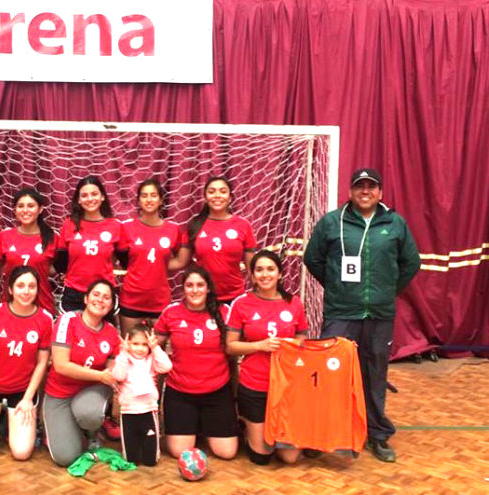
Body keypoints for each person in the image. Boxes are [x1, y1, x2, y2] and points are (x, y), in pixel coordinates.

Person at [303, 168, 421, 463]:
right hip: (341, 312)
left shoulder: (394, 223)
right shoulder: (333, 222)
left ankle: (377, 434)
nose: (365, 191)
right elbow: (312, 258)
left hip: (380, 314)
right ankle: (326, 433)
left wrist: (386, 290)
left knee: (375, 375)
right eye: (359, 186)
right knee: (331, 374)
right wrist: (337, 286)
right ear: (350, 191)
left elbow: (411, 262)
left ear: (380, 192)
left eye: (371, 186)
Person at [225, 250, 308, 465]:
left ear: (280, 273)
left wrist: (295, 343)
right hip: (255, 385)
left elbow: (302, 335)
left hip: (286, 385)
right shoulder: (242, 304)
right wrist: (259, 346)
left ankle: (288, 432)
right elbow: (230, 346)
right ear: (252, 276)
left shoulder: (294, 303)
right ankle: (246, 426)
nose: (265, 274)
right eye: (259, 270)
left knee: (290, 457)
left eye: (270, 269)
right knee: (262, 456)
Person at [0, 266, 52, 462]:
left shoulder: (45, 319)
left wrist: (28, 398)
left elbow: (41, 363)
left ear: (37, 290)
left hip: (21, 391)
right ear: (11, 289)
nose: (26, 291)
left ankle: (7, 421)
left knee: (21, 453)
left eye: (31, 286)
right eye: (20, 286)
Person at [155, 266, 239, 459]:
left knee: (227, 453)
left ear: (208, 288)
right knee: (179, 452)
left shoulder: (224, 312)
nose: (195, 290)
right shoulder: (171, 312)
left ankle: (203, 424)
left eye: (200, 285)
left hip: (217, 391)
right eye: (189, 285)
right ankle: (195, 424)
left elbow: (234, 352)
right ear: (183, 289)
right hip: (180, 392)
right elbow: (153, 348)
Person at [42, 279, 120, 467]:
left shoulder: (111, 332)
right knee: (66, 457)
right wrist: (100, 376)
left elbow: (112, 371)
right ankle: (64, 428)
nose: (100, 300)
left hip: (90, 392)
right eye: (96, 294)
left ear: (111, 305)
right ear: (85, 299)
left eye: (106, 297)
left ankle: (92, 432)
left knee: (89, 412)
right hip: (59, 393)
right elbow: (61, 365)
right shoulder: (68, 320)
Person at [174, 176, 257, 304]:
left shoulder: (243, 225)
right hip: (202, 297)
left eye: (223, 191)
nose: (217, 195)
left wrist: (261, 299)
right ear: (205, 197)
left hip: (235, 297)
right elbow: (182, 262)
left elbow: (252, 268)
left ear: (230, 197)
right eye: (212, 192)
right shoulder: (195, 225)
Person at [118, 179, 182, 334]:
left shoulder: (173, 229)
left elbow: (181, 260)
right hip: (131, 299)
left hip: (160, 301)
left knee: (158, 351)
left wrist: (159, 265)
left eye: (153, 195)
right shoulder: (126, 227)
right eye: (144, 195)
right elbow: (120, 257)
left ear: (161, 200)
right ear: (138, 200)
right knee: (131, 349)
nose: (149, 199)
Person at [55, 176, 123, 313]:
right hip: (74, 293)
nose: (90, 199)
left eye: (94, 194)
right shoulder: (69, 225)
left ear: (102, 196)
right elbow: (61, 263)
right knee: (72, 333)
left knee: (103, 334)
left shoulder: (115, 226)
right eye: (84, 195)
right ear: (78, 200)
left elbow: (125, 260)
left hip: (103, 293)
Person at [111, 324, 172, 466]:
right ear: (128, 343)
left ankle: (148, 452)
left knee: (151, 461)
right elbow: (118, 375)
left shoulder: (151, 360)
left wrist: (155, 348)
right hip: (128, 412)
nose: (139, 348)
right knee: (131, 459)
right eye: (135, 344)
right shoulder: (124, 359)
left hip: (148, 411)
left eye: (144, 344)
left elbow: (167, 366)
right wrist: (124, 353)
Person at [0, 188, 58, 314]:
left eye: (31, 206)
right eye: (20, 206)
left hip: (42, 306)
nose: (25, 210)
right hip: (9, 306)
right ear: (15, 210)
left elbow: (57, 268)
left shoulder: (52, 237)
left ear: (40, 209)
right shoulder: (5, 236)